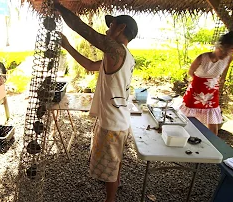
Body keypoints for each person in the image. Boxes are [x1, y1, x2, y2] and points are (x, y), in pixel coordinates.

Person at [54, 2, 138, 202]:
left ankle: (111, 199)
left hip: (112, 123)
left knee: (109, 168)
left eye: (111, 26)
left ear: (121, 28)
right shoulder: (125, 57)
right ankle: (114, 189)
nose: (107, 30)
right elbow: (91, 65)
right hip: (120, 119)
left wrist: (59, 7)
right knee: (115, 162)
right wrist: (67, 46)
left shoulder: (115, 49)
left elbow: (81, 28)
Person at [179, 31, 233, 136]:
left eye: (229, 51)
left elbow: (223, 71)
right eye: (222, 51)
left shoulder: (229, 58)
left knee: (213, 117)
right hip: (196, 88)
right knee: (188, 113)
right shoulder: (202, 58)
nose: (224, 54)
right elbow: (190, 72)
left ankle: (213, 142)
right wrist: (200, 82)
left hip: (212, 89)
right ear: (217, 46)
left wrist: (216, 82)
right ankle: (184, 135)